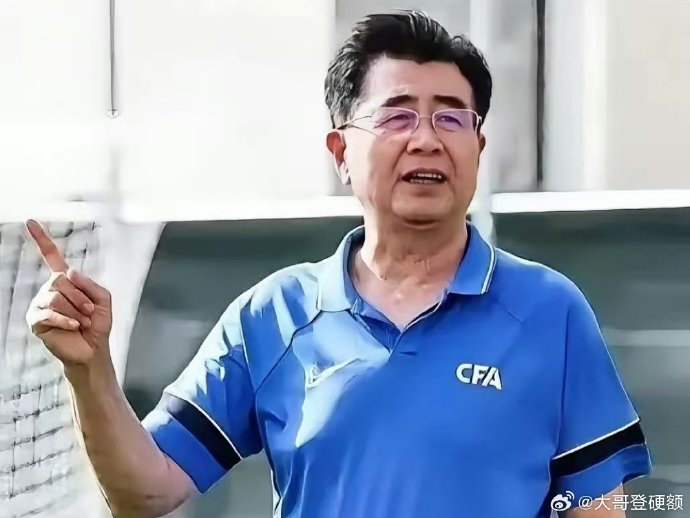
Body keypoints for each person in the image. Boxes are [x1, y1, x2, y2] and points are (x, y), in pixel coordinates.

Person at [26, 10, 651, 518]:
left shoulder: (549, 312)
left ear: (478, 147)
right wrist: (89, 371)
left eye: (451, 117)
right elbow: (146, 492)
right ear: (341, 152)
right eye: (397, 115)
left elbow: (596, 508)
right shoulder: (272, 316)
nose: (427, 139)